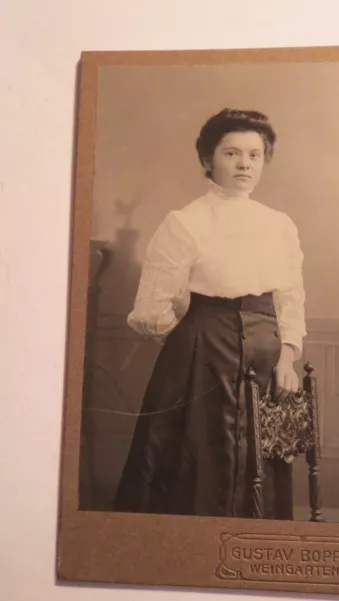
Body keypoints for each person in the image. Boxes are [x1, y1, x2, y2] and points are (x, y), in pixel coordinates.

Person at [113, 108, 306, 519]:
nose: (244, 164)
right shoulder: (185, 222)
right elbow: (150, 309)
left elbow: (290, 296)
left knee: (258, 459)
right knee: (200, 458)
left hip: (265, 355)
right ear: (207, 160)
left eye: (254, 155)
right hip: (202, 354)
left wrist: (287, 355)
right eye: (232, 153)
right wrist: (185, 329)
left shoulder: (280, 225)